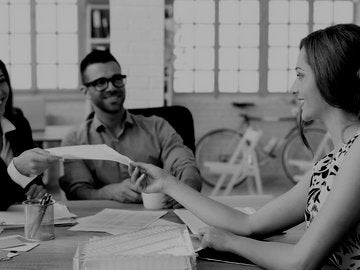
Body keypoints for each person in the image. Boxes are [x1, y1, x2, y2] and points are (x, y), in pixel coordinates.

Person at [129, 24, 360, 269]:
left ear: (329, 75)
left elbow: (299, 262)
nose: (293, 87)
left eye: (300, 75)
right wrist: (166, 182)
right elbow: (249, 224)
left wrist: (230, 242)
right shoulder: (331, 163)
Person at [59, 50, 201, 208]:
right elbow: (77, 191)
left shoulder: (158, 126)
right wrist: (108, 192)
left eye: (117, 79)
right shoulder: (75, 140)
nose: (111, 87)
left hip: (160, 219)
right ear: (85, 91)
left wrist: (186, 191)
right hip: (103, 222)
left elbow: (186, 166)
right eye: (100, 82)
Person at [0, 60, 61, 211]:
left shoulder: (18, 123)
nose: (0, 92)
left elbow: (35, 179)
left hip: (23, 220)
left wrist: (38, 189)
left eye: (1, 81)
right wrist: (17, 170)